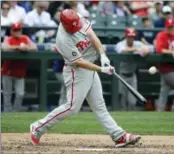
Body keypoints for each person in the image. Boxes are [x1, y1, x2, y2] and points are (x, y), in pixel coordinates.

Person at [30, 9, 141, 148]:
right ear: (64, 25)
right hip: (77, 71)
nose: (76, 28)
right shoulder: (62, 39)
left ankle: (119, 136)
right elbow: (80, 62)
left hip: (90, 67)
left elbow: (91, 35)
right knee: (72, 107)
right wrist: (101, 69)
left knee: (100, 107)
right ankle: (38, 128)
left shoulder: (79, 19)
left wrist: (102, 54)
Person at [1, 22, 37, 112]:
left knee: (20, 93)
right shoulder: (8, 39)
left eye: (19, 30)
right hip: (7, 71)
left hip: (20, 71)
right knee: (7, 94)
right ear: (11, 31)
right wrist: (18, 47)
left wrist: (26, 48)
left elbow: (35, 47)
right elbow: (5, 48)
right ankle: (7, 111)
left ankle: (15, 111)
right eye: (15, 30)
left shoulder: (25, 38)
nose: (17, 32)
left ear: (21, 30)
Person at [116, 27, 153, 110]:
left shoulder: (138, 43)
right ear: (126, 36)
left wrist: (146, 50)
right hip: (122, 76)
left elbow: (150, 49)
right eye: (129, 36)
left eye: (132, 37)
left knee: (132, 102)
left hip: (132, 76)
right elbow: (121, 50)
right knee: (122, 102)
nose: (131, 38)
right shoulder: (121, 44)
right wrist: (136, 49)